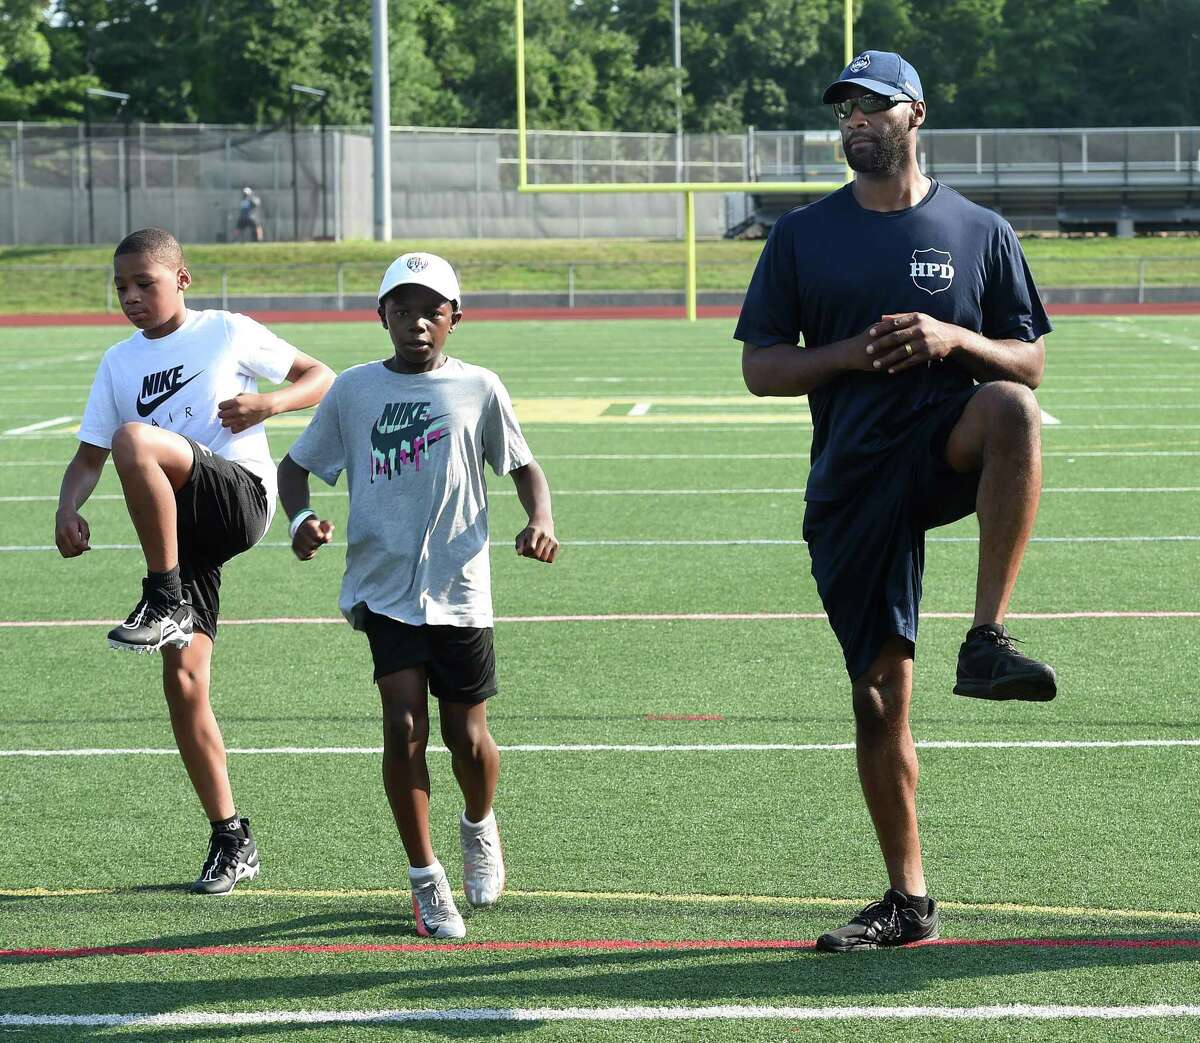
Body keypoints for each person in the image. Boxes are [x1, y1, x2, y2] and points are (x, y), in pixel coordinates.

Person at [736, 51, 1058, 952]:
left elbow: (1030, 359)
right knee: (878, 697)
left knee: (1011, 408)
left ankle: (988, 636)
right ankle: (908, 901)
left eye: (872, 106)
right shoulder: (802, 234)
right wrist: (846, 354)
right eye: (844, 110)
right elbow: (762, 364)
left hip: (940, 443)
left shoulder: (978, 228)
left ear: (915, 114)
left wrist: (954, 335)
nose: (854, 122)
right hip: (851, 475)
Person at [277, 252, 558, 939]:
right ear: (382, 316)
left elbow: (523, 467)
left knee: (468, 737)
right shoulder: (353, 390)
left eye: (432, 309)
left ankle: (477, 823)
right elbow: (294, 466)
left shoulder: (480, 387)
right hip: (384, 589)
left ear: (456, 318)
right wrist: (300, 520)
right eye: (402, 309)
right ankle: (425, 879)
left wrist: (540, 519)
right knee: (404, 727)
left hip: (460, 587)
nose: (418, 322)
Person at [54, 227, 334, 894]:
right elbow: (88, 458)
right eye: (119, 287)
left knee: (137, 440)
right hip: (186, 536)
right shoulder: (118, 363)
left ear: (181, 279)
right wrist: (67, 506)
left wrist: (269, 403)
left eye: (142, 283)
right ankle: (231, 837)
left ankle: (164, 594)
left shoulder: (225, 331)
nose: (129, 297)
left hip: (240, 497)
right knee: (184, 685)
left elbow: (318, 377)